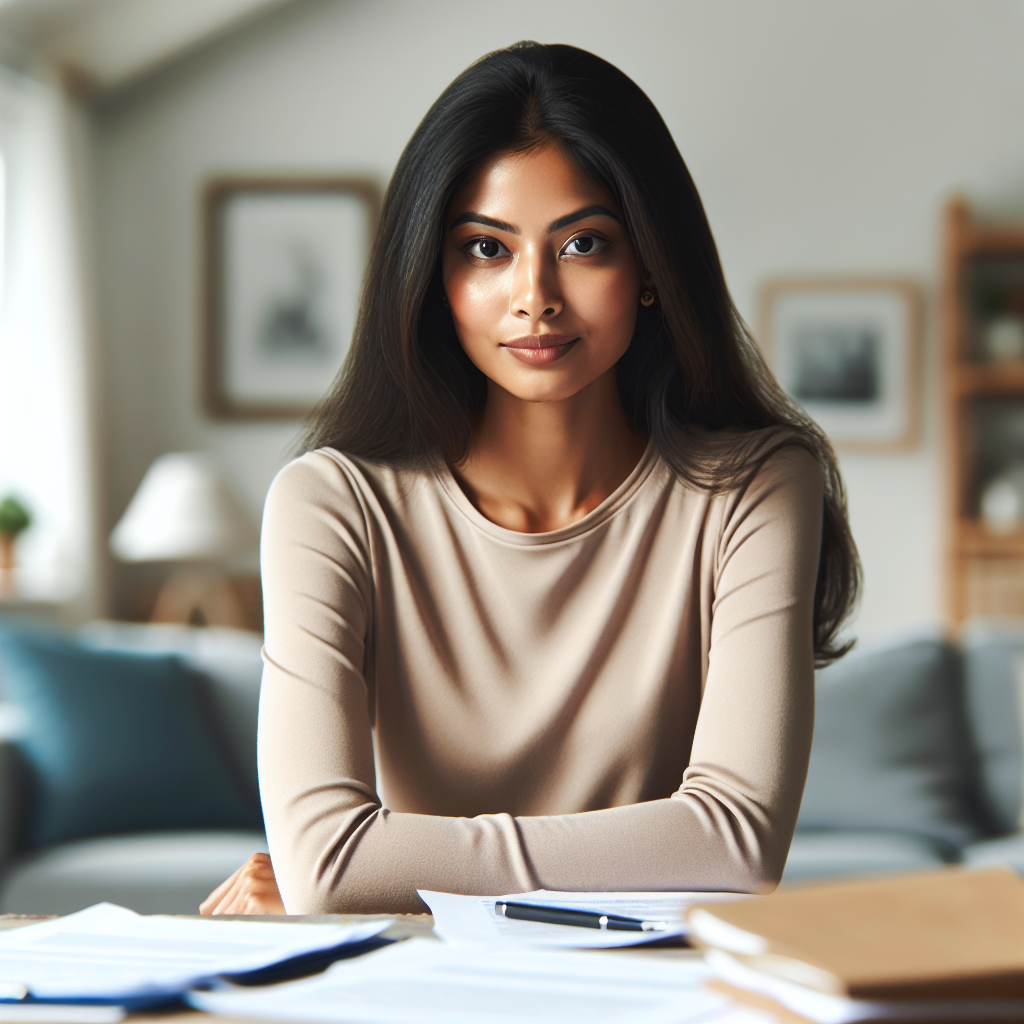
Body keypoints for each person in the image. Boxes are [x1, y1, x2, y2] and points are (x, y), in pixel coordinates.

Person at [200, 41, 859, 917]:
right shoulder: (331, 505)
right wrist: (346, 869)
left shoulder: (757, 486)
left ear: (654, 266)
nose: (535, 296)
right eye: (485, 249)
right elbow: (329, 864)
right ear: (432, 277)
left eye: (584, 243)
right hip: (423, 990)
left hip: (653, 987)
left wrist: (390, 866)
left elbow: (738, 841)